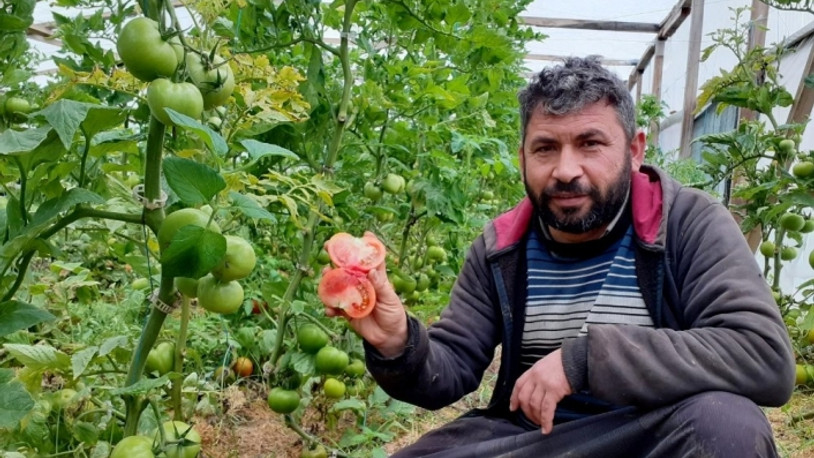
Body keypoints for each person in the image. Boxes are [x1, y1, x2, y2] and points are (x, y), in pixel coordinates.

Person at [326, 56, 795, 457]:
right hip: (538, 436)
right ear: (523, 157)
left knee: (727, 425)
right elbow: (449, 371)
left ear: (634, 150)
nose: (566, 170)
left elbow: (764, 357)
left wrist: (585, 360)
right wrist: (395, 341)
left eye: (590, 144)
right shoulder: (501, 247)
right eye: (546, 149)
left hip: (653, 433)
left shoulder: (688, 223)